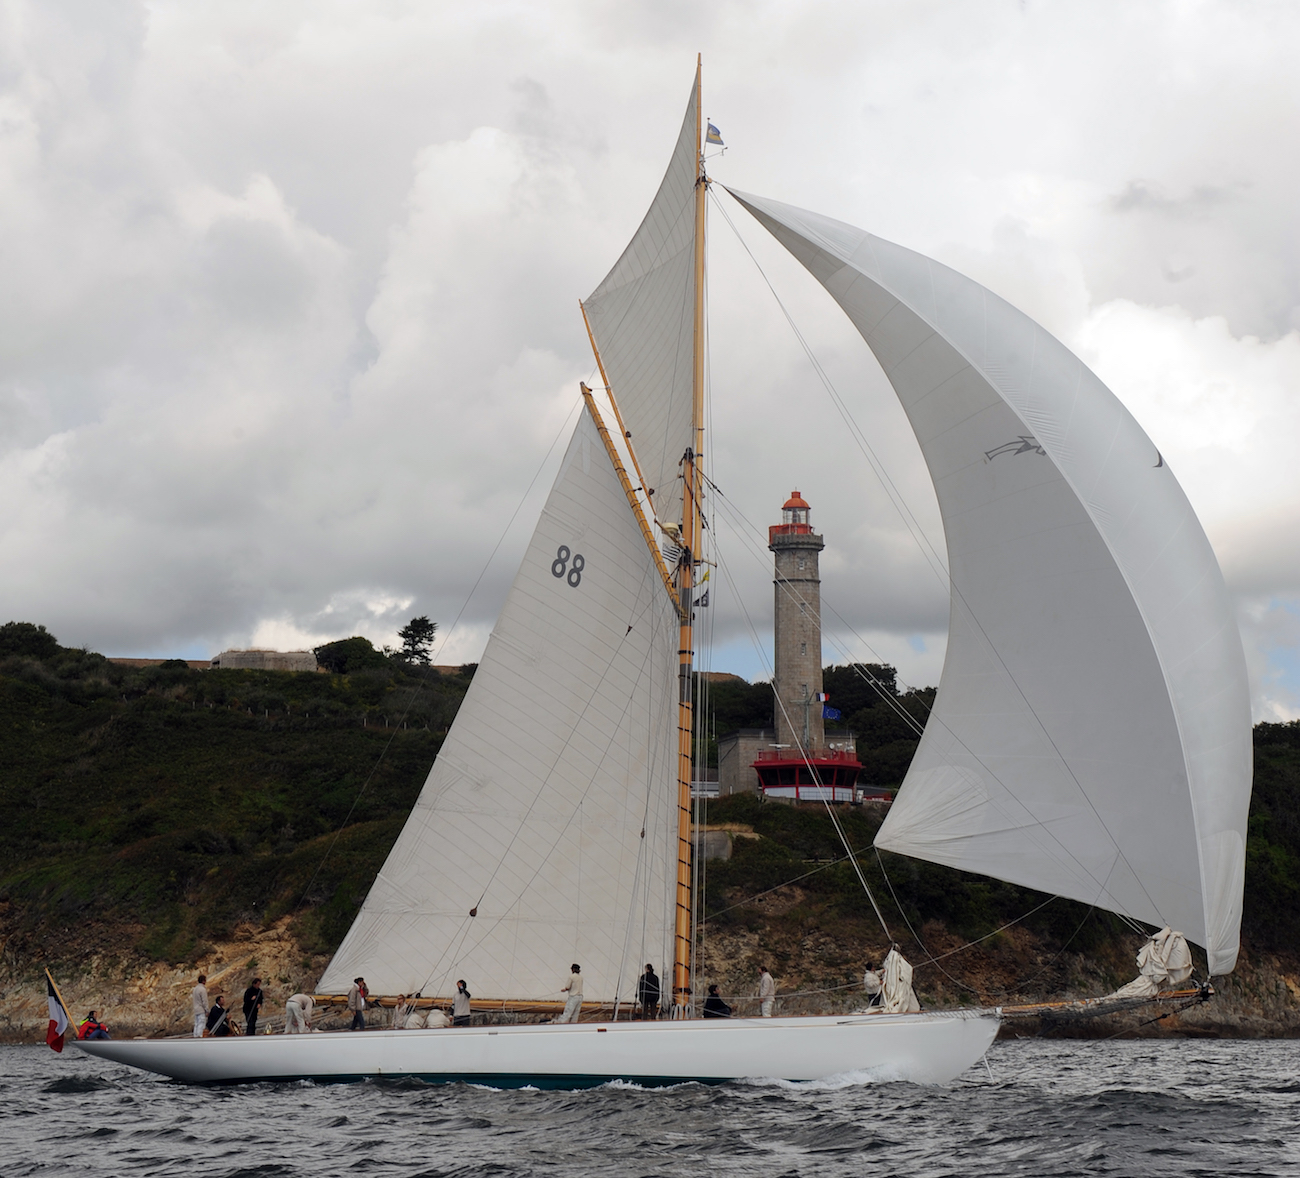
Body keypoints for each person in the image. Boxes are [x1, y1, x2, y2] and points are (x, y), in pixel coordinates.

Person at [191, 974, 209, 1039]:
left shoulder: (195, 989)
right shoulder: (202, 989)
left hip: (196, 1009)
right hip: (201, 1009)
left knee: (196, 1024)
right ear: (203, 981)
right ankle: (199, 1037)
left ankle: (195, 1036)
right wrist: (207, 1010)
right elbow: (204, 1001)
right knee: (201, 1024)